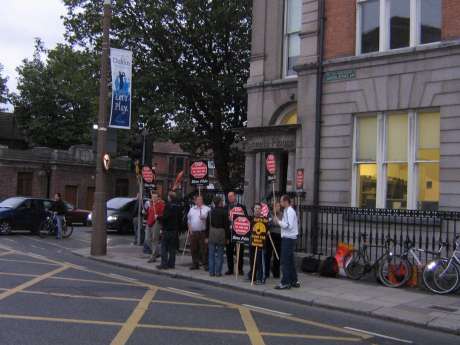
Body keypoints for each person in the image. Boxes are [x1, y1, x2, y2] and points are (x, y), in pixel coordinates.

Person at [273, 195, 300, 290]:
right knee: (290, 261)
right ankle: (293, 280)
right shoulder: (287, 211)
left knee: (285, 261)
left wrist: (279, 222)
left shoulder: (289, 211)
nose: (280, 203)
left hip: (288, 238)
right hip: (289, 238)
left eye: (281, 201)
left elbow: (288, 226)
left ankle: (285, 282)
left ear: (285, 202)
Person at [156, 191, 182, 270]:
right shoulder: (178, 205)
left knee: (164, 247)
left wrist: (158, 217)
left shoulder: (168, 205)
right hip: (175, 229)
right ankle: (171, 264)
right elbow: (180, 217)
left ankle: (164, 264)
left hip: (167, 229)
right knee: (172, 248)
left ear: (170, 197)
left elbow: (165, 217)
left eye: (168, 197)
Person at [225, 191, 247, 276]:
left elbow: (246, 219)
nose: (230, 198)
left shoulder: (241, 207)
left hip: (239, 233)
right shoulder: (226, 207)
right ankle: (230, 269)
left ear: (235, 197)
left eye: (231, 196)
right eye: (228, 197)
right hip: (229, 233)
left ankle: (240, 269)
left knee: (240, 252)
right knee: (229, 251)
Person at [207, 196, 228, 277]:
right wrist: (227, 237)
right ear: (219, 202)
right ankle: (218, 272)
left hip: (212, 233)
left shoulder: (210, 212)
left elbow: (207, 224)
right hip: (221, 233)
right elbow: (226, 226)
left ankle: (211, 272)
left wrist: (206, 236)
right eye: (222, 201)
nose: (223, 202)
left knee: (211, 254)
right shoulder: (224, 212)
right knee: (220, 254)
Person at [187, 195, 210, 270]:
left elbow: (210, 221)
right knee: (194, 249)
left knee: (204, 249)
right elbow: (189, 220)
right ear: (195, 201)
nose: (199, 201)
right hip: (193, 232)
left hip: (203, 232)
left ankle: (205, 264)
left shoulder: (207, 209)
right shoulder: (192, 209)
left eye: (201, 200)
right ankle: (195, 263)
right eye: (198, 200)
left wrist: (204, 218)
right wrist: (190, 230)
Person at [248, 203, 267, 285]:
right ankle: (253, 276)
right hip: (252, 242)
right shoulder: (251, 219)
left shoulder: (264, 219)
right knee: (252, 261)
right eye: (256, 208)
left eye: (259, 208)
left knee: (260, 261)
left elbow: (266, 230)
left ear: (261, 210)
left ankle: (261, 278)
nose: (257, 210)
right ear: (253, 210)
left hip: (260, 243)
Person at [146, 191, 165, 263]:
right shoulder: (150, 204)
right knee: (147, 239)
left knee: (154, 239)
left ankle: (153, 256)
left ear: (158, 198)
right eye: (152, 197)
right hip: (149, 222)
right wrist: (144, 212)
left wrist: (158, 216)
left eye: (155, 197)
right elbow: (148, 213)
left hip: (156, 222)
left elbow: (163, 214)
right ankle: (156, 252)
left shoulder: (161, 204)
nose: (153, 198)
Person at [265, 202, 281, 280]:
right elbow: (267, 223)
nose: (278, 208)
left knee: (277, 255)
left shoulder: (282, 214)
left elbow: (282, 224)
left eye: (278, 206)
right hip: (270, 235)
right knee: (268, 254)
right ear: (273, 207)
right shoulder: (269, 214)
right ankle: (266, 272)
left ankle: (276, 273)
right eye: (276, 206)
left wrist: (277, 222)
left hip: (278, 235)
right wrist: (272, 222)